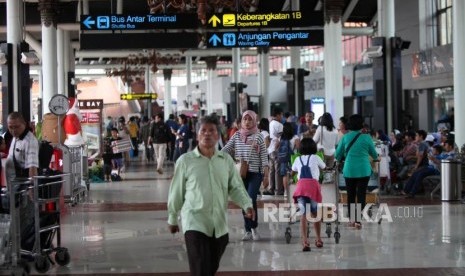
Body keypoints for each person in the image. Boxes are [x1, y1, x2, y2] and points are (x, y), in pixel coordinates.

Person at [167, 115, 254, 276]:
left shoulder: (225, 160)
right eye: (203, 130)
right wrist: (172, 217)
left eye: (211, 130)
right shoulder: (185, 161)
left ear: (218, 135)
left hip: (219, 227)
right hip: (194, 222)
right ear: (197, 135)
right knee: (200, 268)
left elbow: (235, 187)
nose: (207, 134)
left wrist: (246, 204)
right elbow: (176, 191)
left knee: (209, 269)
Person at [222, 110, 269, 241]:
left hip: (256, 173)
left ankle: (253, 227)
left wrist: (266, 175)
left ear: (254, 121)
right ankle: (248, 230)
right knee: (244, 200)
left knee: (250, 197)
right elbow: (226, 149)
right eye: (245, 119)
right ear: (241, 121)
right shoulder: (237, 135)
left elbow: (264, 157)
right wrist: (214, 156)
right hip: (240, 173)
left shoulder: (258, 136)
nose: (247, 122)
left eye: (250, 119)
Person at [335, 114, 378, 229]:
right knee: (361, 195)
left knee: (351, 195)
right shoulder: (367, 137)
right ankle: (358, 220)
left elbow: (337, 155)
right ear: (361, 124)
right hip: (364, 170)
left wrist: (343, 156)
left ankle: (352, 219)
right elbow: (374, 154)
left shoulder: (345, 137)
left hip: (349, 170)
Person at [291, 138, 326, 251]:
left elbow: (293, 169)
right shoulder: (316, 157)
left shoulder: (297, 159)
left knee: (303, 215)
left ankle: (305, 241)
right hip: (312, 188)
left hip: (301, 187)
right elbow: (324, 166)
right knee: (315, 213)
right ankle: (318, 239)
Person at [5, 112, 39, 182]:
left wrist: (31, 190)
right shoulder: (16, 137)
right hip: (13, 184)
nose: (13, 130)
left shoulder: (30, 141)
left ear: (24, 124)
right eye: (10, 127)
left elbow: (32, 168)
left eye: (17, 127)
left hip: (23, 185)